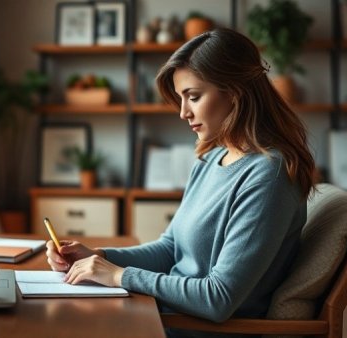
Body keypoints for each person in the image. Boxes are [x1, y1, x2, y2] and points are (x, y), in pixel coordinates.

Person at [45, 27, 316, 334]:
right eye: (180, 99)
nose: (183, 112)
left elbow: (219, 298)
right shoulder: (211, 159)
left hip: (194, 328)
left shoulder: (269, 176)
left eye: (194, 97)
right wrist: (99, 257)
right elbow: (170, 249)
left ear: (235, 92)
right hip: (165, 316)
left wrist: (119, 275)